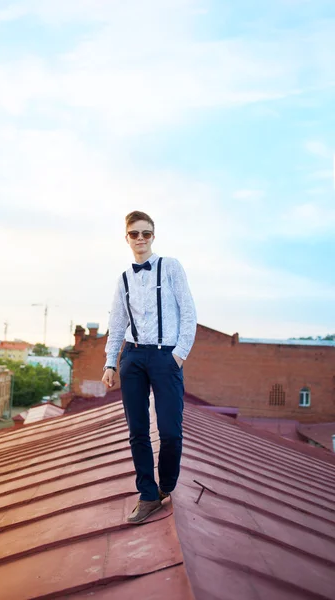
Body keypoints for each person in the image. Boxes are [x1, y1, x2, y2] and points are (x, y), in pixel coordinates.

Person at [102, 210, 197, 524]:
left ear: (153, 236)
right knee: (137, 431)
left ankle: (165, 487)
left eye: (146, 233)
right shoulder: (124, 278)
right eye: (134, 234)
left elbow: (188, 312)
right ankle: (147, 494)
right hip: (132, 358)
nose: (140, 239)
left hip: (165, 357)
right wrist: (110, 363)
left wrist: (179, 354)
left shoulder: (170, 267)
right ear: (126, 237)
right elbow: (116, 324)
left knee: (170, 431)